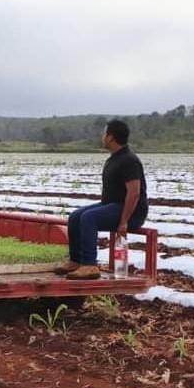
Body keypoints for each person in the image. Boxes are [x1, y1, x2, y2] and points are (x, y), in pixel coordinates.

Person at [56, 119, 148, 280]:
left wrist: (124, 221)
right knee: (76, 216)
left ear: (111, 137)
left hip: (131, 212)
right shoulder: (114, 158)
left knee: (89, 217)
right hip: (113, 206)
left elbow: (134, 193)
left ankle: (90, 265)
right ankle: (76, 261)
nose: (102, 137)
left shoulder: (129, 160)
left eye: (104, 134)